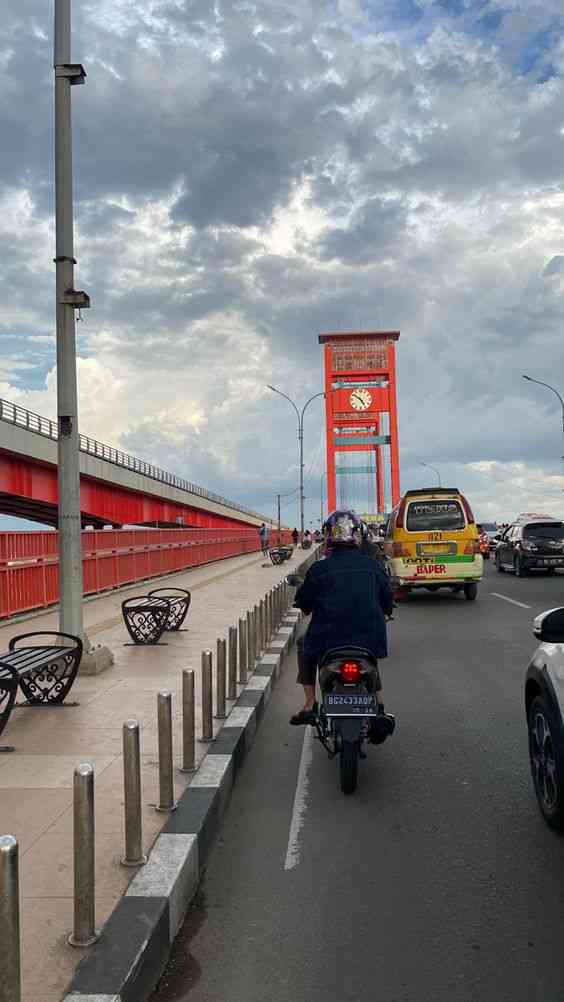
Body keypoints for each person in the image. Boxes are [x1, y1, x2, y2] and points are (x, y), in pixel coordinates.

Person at [290, 509, 395, 742]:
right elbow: (388, 601)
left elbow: (305, 604)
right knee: (370, 662)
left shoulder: (319, 569)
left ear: (329, 536)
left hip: (327, 640)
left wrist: (306, 604)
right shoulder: (372, 566)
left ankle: (309, 702)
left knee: (302, 644)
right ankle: (379, 707)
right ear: (357, 536)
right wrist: (386, 609)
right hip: (368, 638)